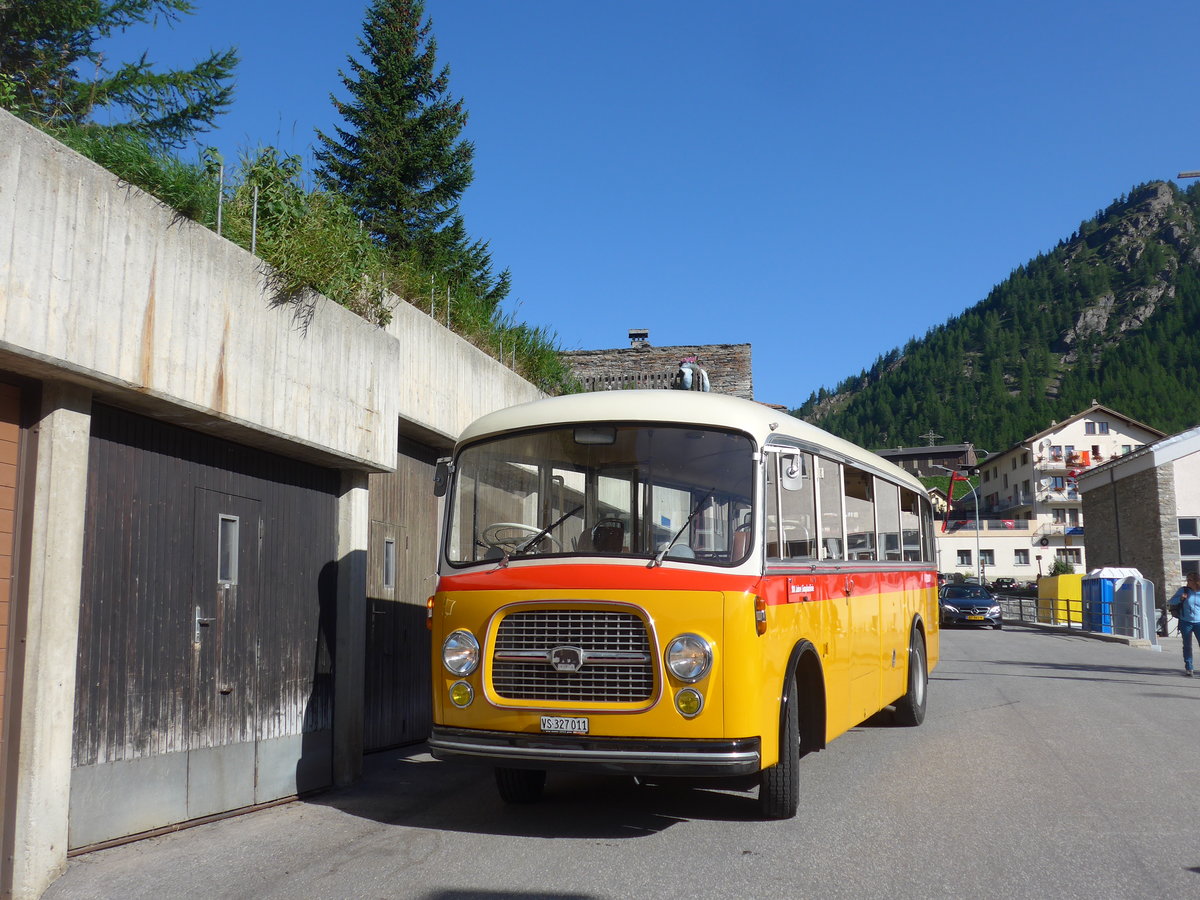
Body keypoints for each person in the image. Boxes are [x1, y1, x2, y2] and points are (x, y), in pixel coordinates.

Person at [1168, 571, 1200, 676]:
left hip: (1199, 622)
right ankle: (1189, 667)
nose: (1187, 582)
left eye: (1190, 580)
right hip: (1185, 622)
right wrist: (1180, 598)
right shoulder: (1183, 590)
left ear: (1196, 581)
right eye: (1187, 579)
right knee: (1187, 645)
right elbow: (1171, 601)